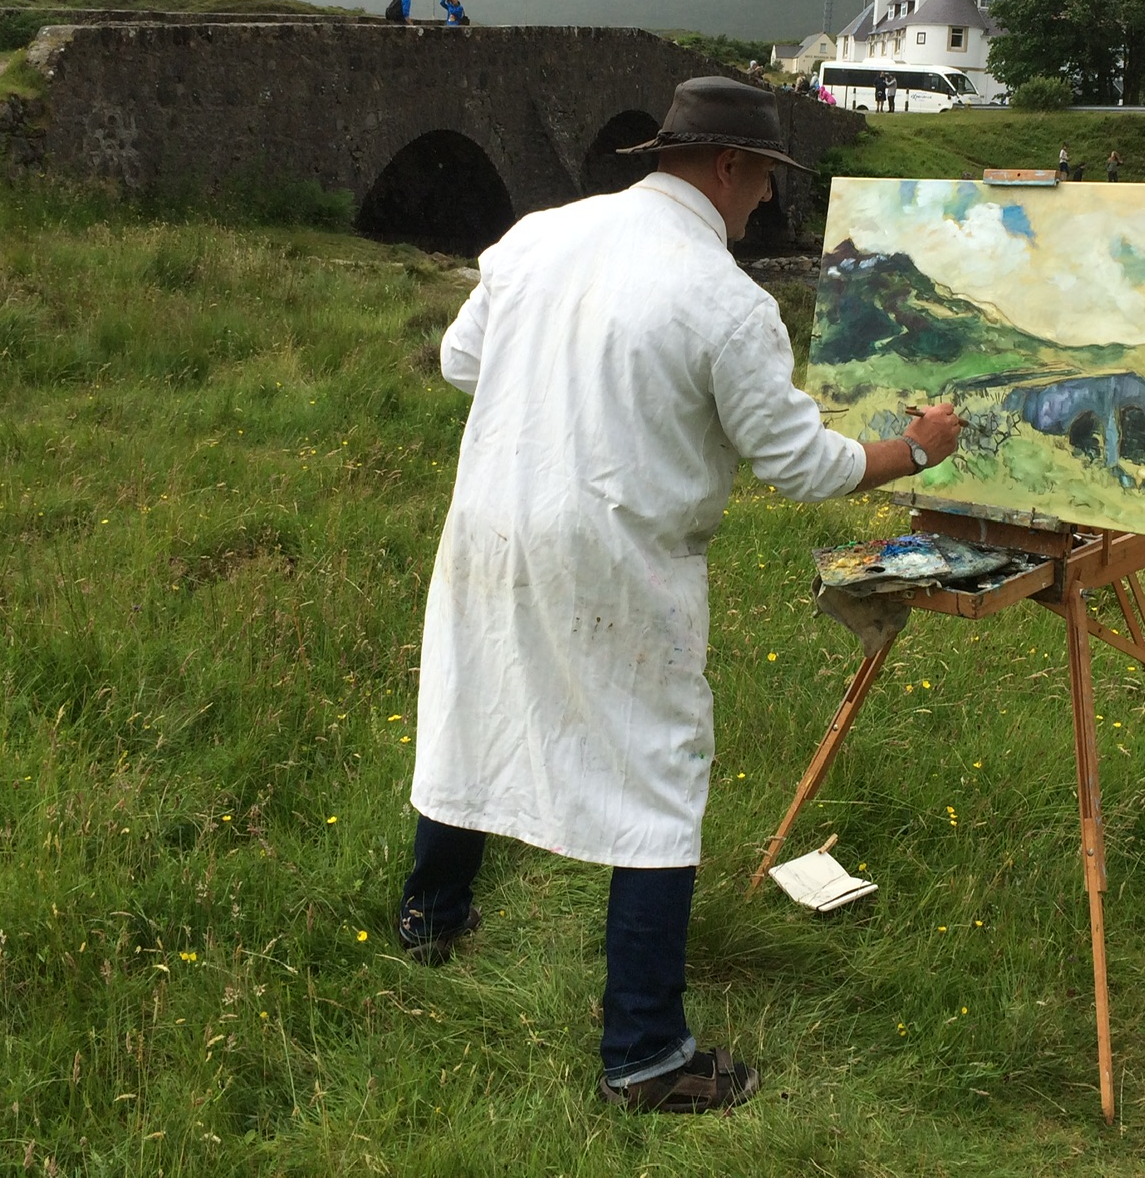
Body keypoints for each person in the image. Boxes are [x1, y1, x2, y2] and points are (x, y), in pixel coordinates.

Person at [400, 76, 962, 1114]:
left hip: (492, 519)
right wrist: (915, 449)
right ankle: (646, 1053)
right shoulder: (726, 300)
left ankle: (430, 921)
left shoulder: (538, 236)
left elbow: (459, 361)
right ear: (729, 166)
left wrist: (566, 382)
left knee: (469, 705)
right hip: (617, 547)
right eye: (765, 180)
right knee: (657, 769)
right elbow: (802, 465)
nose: (766, 201)